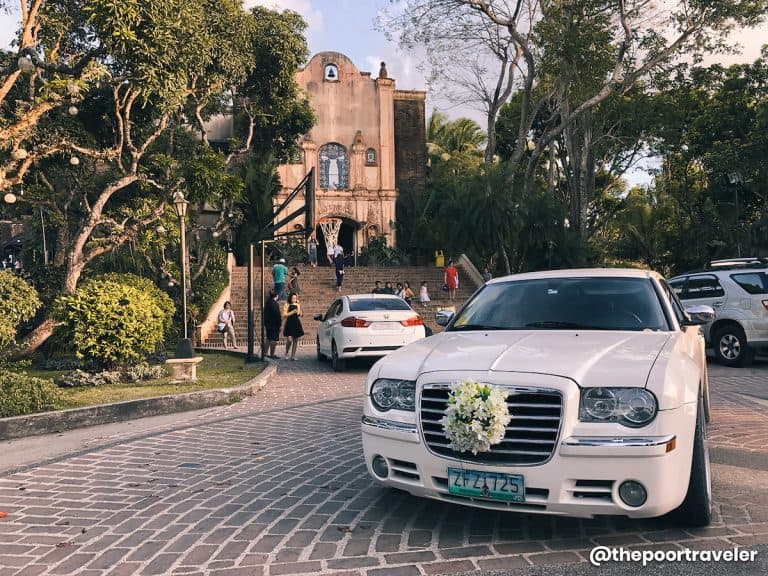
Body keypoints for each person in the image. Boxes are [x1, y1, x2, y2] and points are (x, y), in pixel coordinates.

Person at [283, 293, 305, 360]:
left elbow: (299, 314)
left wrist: (300, 312)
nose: (294, 299)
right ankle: (286, 352)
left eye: (295, 298)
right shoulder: (287, 304)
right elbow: (284, 314)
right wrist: (292, 312)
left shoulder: (298, 304)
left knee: (295, 340)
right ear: (290, 298)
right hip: (289, 323)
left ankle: (293, 355)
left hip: (296, 323)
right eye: (293, 298)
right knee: (289, 340)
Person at [263, 290, 282, 359]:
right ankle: (272, 354)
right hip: (274, 325)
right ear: (276, 296)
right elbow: (277, 315)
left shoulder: (267, 303)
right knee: (274, 339)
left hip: (268, 324)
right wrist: (279, 324)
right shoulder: (275, 304)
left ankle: (265, 353)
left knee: (268, 338)